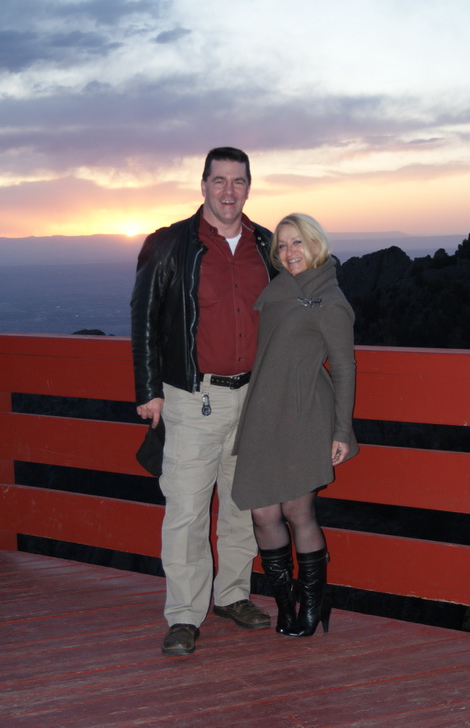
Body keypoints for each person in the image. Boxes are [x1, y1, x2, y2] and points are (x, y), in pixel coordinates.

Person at [130, 146, 276, 655]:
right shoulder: (171, 244)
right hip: (192, 398)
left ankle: (233, 595)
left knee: (243, 504)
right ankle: (185, 614)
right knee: (188, 509)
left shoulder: (267, 246)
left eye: (238, 181)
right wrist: (147, 389)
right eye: (219, 181)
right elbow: (144, 316)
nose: (229, 191)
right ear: (203, 185)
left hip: (254, 397)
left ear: (249, 187)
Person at [231, 213, 358, 638]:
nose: (289, 253)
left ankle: (312, 602)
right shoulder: (279, 290)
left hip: (305, 413)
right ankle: (286, 602)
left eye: (297, 243)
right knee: (263, 511)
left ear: (315, 244)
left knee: (297, 511)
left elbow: (343, 367)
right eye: (282, 246)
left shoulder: (331, 299)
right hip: (266, 412)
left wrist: (342, 430)